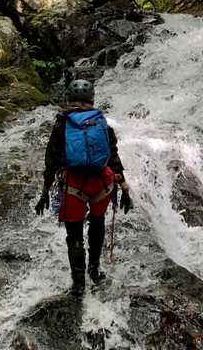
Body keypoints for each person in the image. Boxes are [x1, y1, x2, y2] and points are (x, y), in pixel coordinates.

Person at [36, 78, 133, 298]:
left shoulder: (63, 123)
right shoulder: (101, 122)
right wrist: (124, 187)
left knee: (74, 234)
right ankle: (95, 271)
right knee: (97, 224)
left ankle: (79, 285)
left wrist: (45, 191)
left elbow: (52, 160)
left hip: (75, 184)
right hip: (102, 182)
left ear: (69, 98)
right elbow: (113, 156)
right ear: (92, 99)